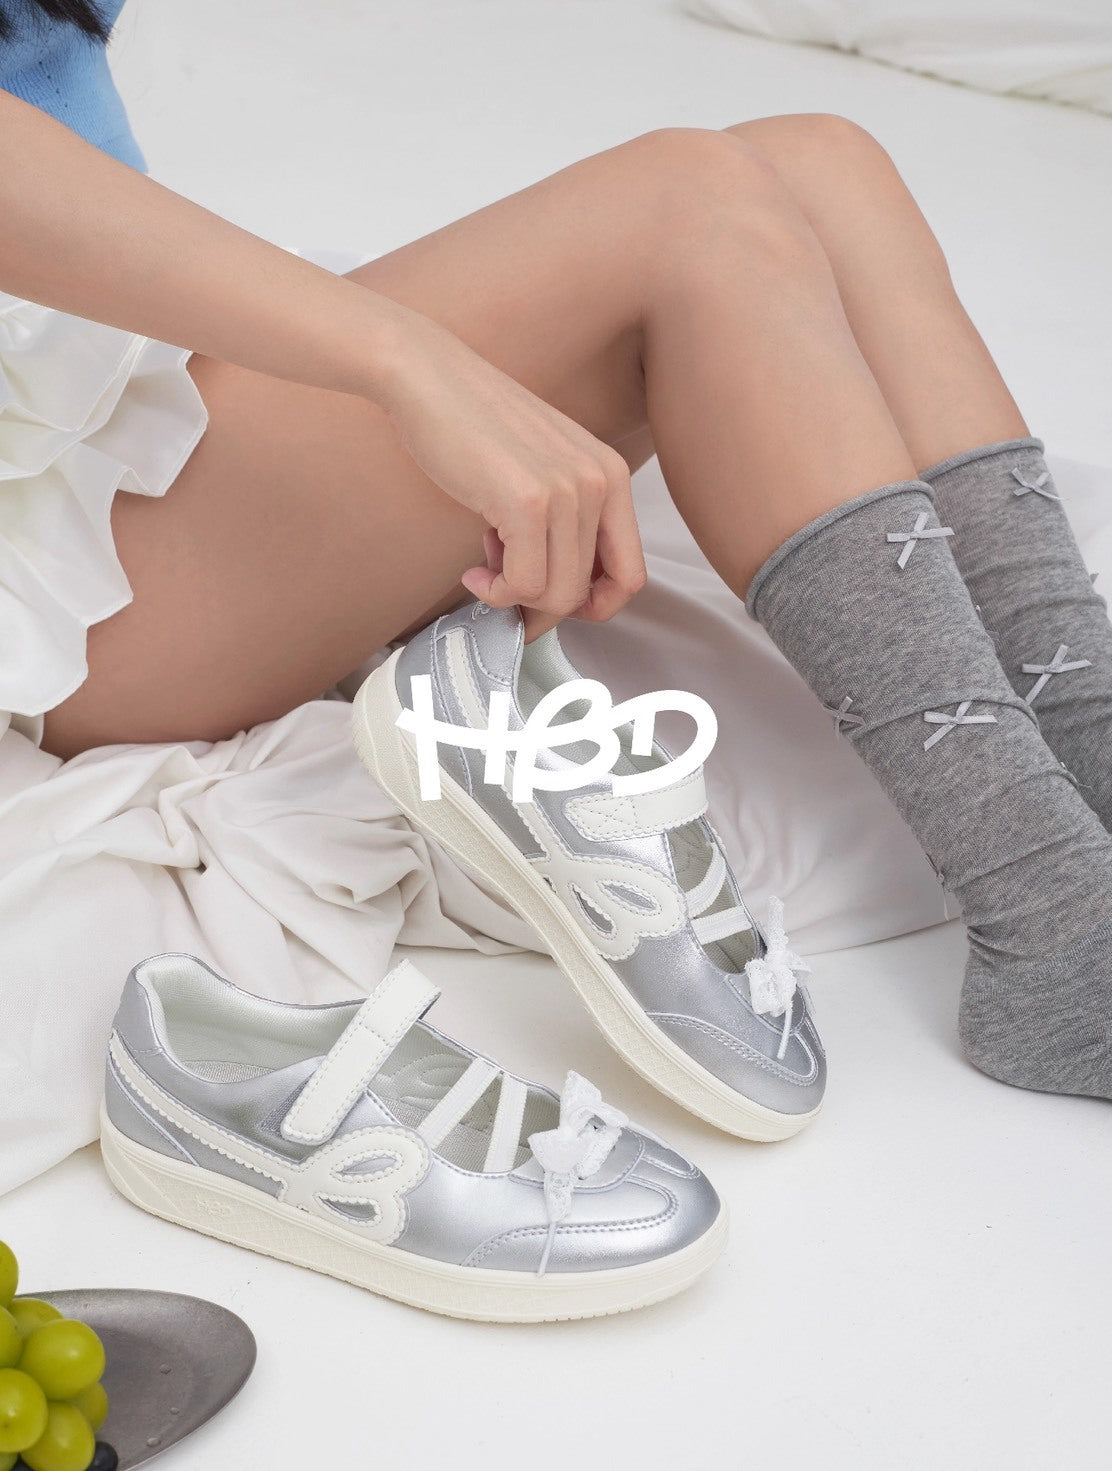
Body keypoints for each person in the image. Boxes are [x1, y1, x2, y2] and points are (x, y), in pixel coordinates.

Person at [1, 0, 1109, 1105]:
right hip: (47, 528)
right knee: (691, 207)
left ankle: (1089, 759)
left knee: (823, 164)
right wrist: (405, 358)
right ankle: (1054, 922)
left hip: (101, 350)